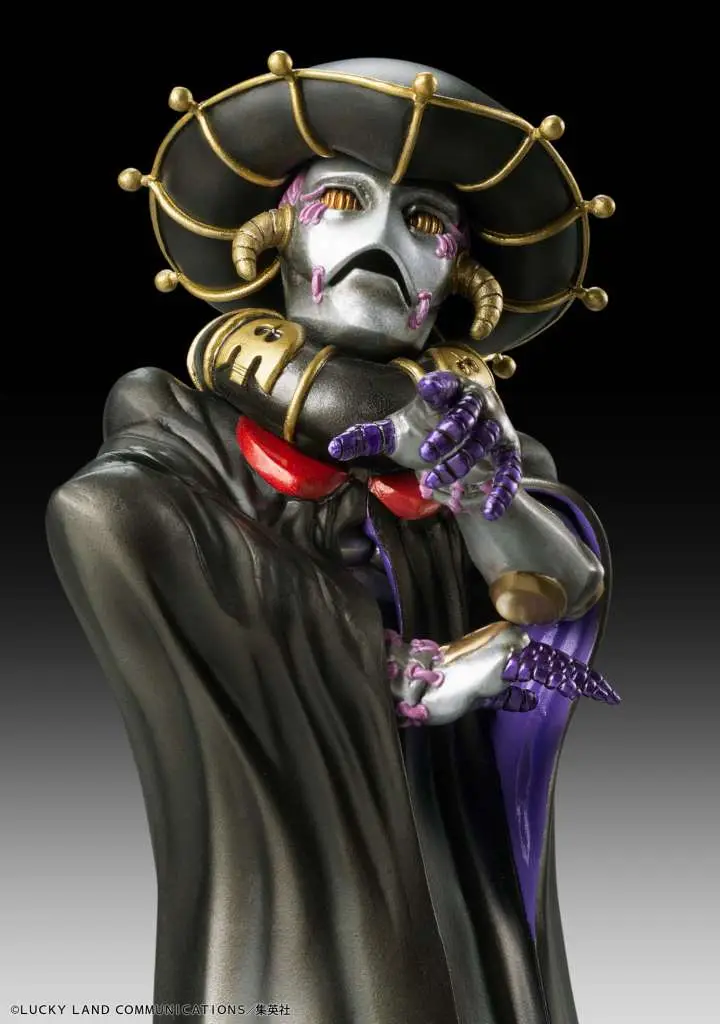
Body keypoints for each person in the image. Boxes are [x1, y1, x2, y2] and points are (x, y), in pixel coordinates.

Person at [47, 54, 619, 1024]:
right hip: (291, 878)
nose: (384, 237)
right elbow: (104, 524)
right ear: (278, 237)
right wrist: (400, 674)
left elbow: (559, 584)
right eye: (345, 201)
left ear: (456, 279)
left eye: (426, 223)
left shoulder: (485, 451)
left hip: (444, 854)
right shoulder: (184, 429)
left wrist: (478, 493)